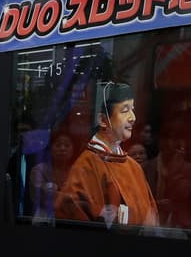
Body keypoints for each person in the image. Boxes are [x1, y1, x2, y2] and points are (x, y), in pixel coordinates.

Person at [55, 80, 158, 227]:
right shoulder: (86, 166)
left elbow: (151, 219)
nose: (133, 117)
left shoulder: (134, 167)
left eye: (132, 109)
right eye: (124, 110)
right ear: (103, 120)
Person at [27, 132, 76, 222]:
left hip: (73, 221)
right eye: (58, 145)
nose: (62, 148)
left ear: (73, 150)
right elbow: (40, 196)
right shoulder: (39, 170)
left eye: (67, 145)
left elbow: (85, 199)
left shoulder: (78, 172)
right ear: (50, 149)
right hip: (44, 220)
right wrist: (69, 198)